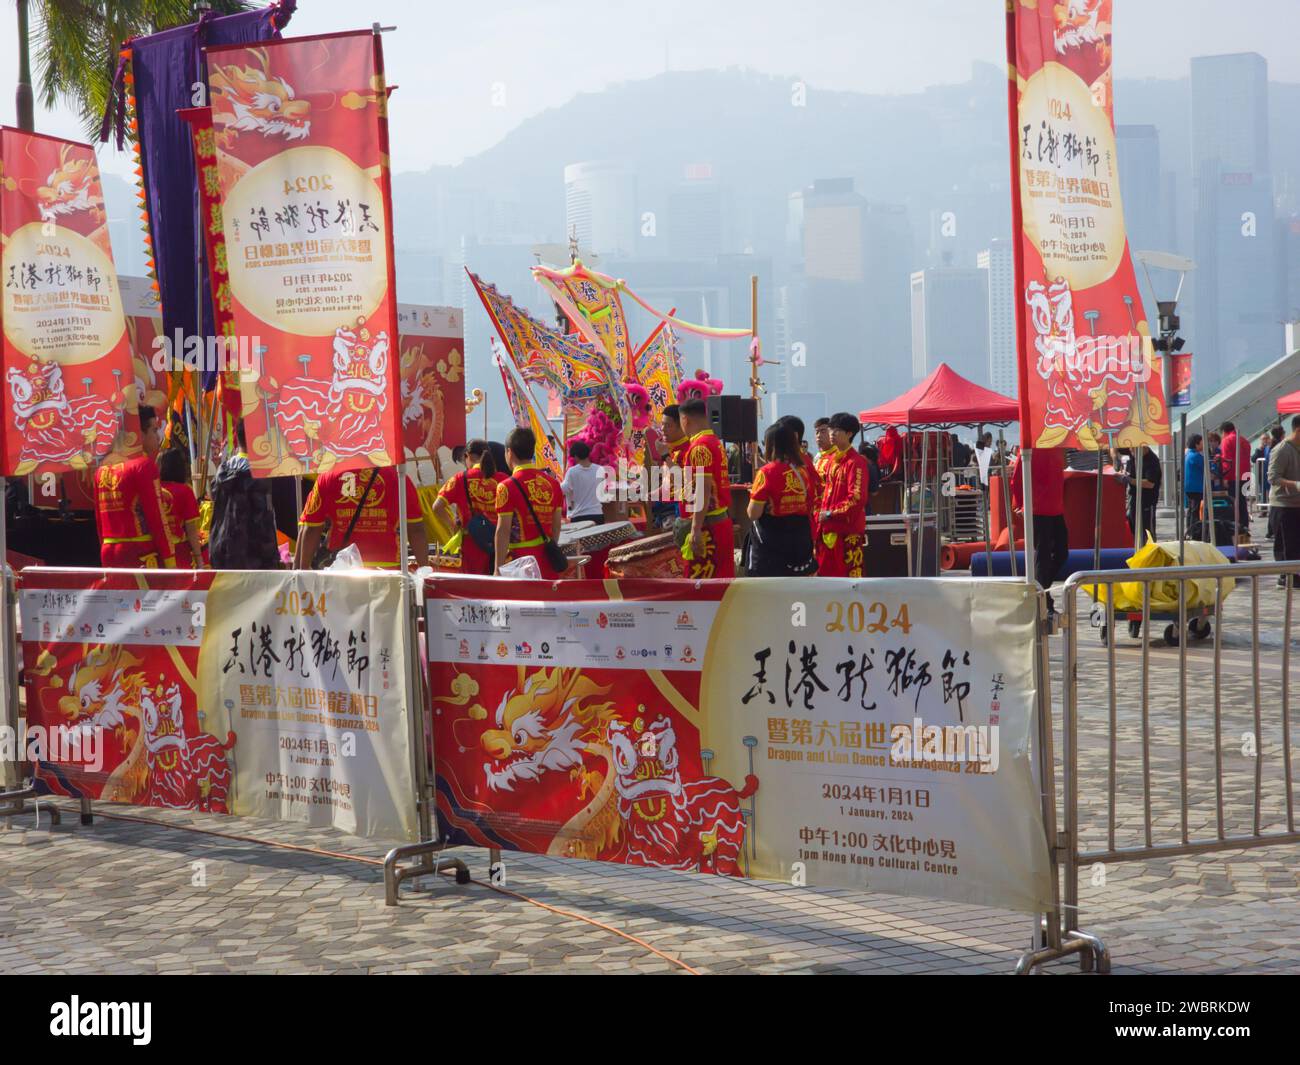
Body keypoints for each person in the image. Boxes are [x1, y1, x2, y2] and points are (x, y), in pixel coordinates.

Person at [295, 462, 426, 570]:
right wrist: (424, 571)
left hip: (342, 568)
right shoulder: (398, 478)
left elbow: (311, 528)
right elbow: (416, 530)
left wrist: (301, 571)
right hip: (387, 569)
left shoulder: (327, 477)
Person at [93, 405, 175, 568]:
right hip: (141, 556)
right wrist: (170, 561)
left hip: (109, 555)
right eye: (154, 430)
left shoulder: (101, 471)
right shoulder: (143, 466)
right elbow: (157, 519)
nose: (158, 437)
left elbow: (100, 526)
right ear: (139, 434)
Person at [745, 422, 816, 576]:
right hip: (800, 540)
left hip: (773, 542)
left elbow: (753, 513)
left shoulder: (766, 472)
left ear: (771, 445)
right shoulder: (803, 471)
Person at [208, 421, 281, 569]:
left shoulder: (223, 470)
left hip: (223, 553)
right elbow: (264, 521)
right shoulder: (259, 475)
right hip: (255, 560)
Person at [493, 426, 566, 577]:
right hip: (547, 562)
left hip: (521, 565)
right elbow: (556, 526)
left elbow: (503, 531)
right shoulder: (553, 484)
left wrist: (497, 569)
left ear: (509, 452)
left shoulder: (506, 487)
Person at [677, 398, 735, 578]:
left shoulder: (699, 447)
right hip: (719, 522)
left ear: (685, 419)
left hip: (708, 527)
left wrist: (695, 529)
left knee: (702, 585)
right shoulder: (714, 442)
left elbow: (703, 489)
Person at [432, 439, 506, 575]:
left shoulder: (460, 479)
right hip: (499, 544)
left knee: (473, 588)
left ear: (468, 456)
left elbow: (437, 507)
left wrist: (453, 525)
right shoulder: (503, 479)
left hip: (471, 544)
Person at [1009, 447, 1068, 614]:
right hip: (1037, 508)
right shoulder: (1029, 448)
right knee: (1042, 555)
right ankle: (1043, 600)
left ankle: (1041, 591)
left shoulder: (1057, 446)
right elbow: (1017, 479)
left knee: (1062, 553)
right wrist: (1020, 504)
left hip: (1056, 508)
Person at [816, 412, 870, 578]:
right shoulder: (831, 460)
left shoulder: (856, 462)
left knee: (850, 582)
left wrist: (831, 514)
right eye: (831, 429)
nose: (832, 433)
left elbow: (857, 499)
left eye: (837, 430)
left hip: (848, 533)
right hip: (827, 529)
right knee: (826, 579)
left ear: (849, 433)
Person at [158, 448, 204, 569]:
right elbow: (191, 530)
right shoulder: (185, 491)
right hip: (178, 552)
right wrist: (199, 558)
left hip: (155, 552)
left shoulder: (152, 489)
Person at [1268, 415, 1300, 587]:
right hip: (1283, 505)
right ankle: (1287, 576)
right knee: (1287, 544)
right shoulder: (1281, 450)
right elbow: (1273, 477)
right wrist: (1294, 484)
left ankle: (1294, 574)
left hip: (1297, 504)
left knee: (1296, 542)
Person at [1118, 445, 1160, 543]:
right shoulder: (1134, 452)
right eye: (1130, 448)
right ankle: (1137, 546)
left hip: (1147, 500)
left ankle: (1150, 549)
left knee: (1147, 529)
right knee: (1133, 523)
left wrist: (1129, 480)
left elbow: (1150, 483)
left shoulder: (1152, 461)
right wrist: (1115, 458)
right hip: (1134, 497)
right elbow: (1115, 447)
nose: (1130, 450)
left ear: (1143, 447)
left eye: (1133, 449)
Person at [562, 440, 605, 525]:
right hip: (597, 514)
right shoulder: (600, 469)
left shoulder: (572, 471)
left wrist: (552, 479)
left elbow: (564, 489)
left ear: (576, 456)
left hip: (579, 516)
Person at [1219, 421, 1251, 533]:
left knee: (1234, 503)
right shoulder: (1244, 440)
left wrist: (1225, 478)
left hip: (1234, 476)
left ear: (1224, 431)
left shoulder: (1227, 440)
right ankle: (1245, 527)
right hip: (1246, 475)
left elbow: (1227, 461)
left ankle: (1236, 529)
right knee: (1243, 503)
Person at [1184, 434, 1205, 535]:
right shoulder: (1196, 456)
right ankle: (1194, 531)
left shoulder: (1188, 454)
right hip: (1196, 486)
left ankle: (1189, 529)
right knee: (1195, 510)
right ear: (1197, 444)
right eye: (1201, 442)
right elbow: (1206, 468)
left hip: (1189, 487)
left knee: (1191, 509)